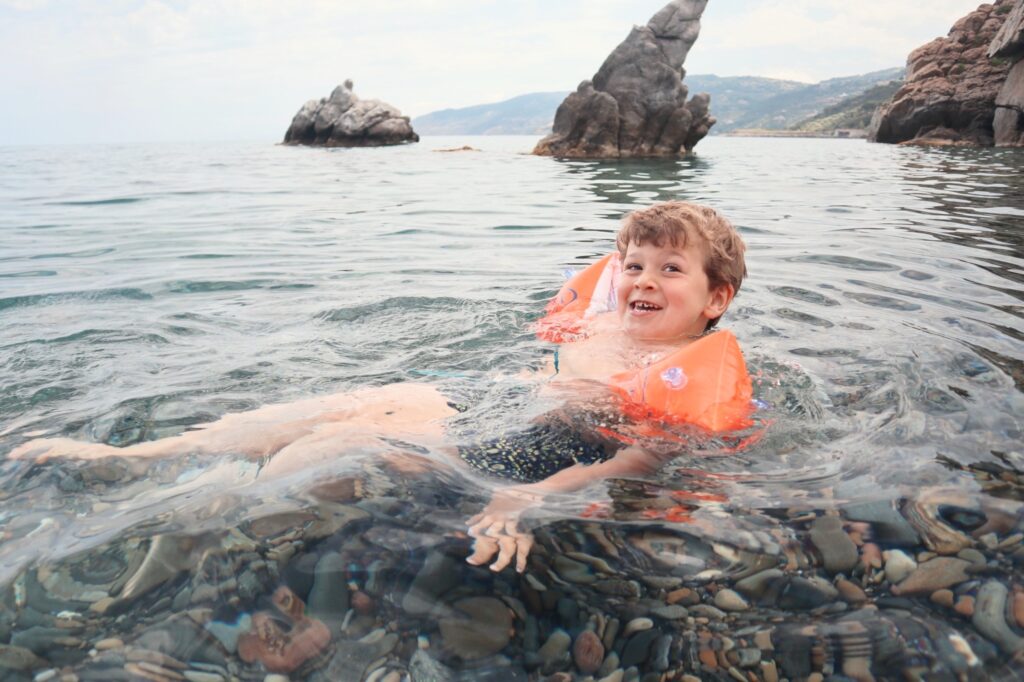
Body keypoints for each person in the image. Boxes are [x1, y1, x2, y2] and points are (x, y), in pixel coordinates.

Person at [9, 201, 748, 574]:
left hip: (538, 450)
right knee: (341, 405)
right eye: (635, 266)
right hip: (490, 402)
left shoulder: (697, 376)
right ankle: (149, 459)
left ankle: (173, 522)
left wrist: (525, 499)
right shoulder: (602, 325)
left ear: (715, 299)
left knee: (346, 445)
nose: (644, 281)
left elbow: (638, 458)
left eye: (669, 271)